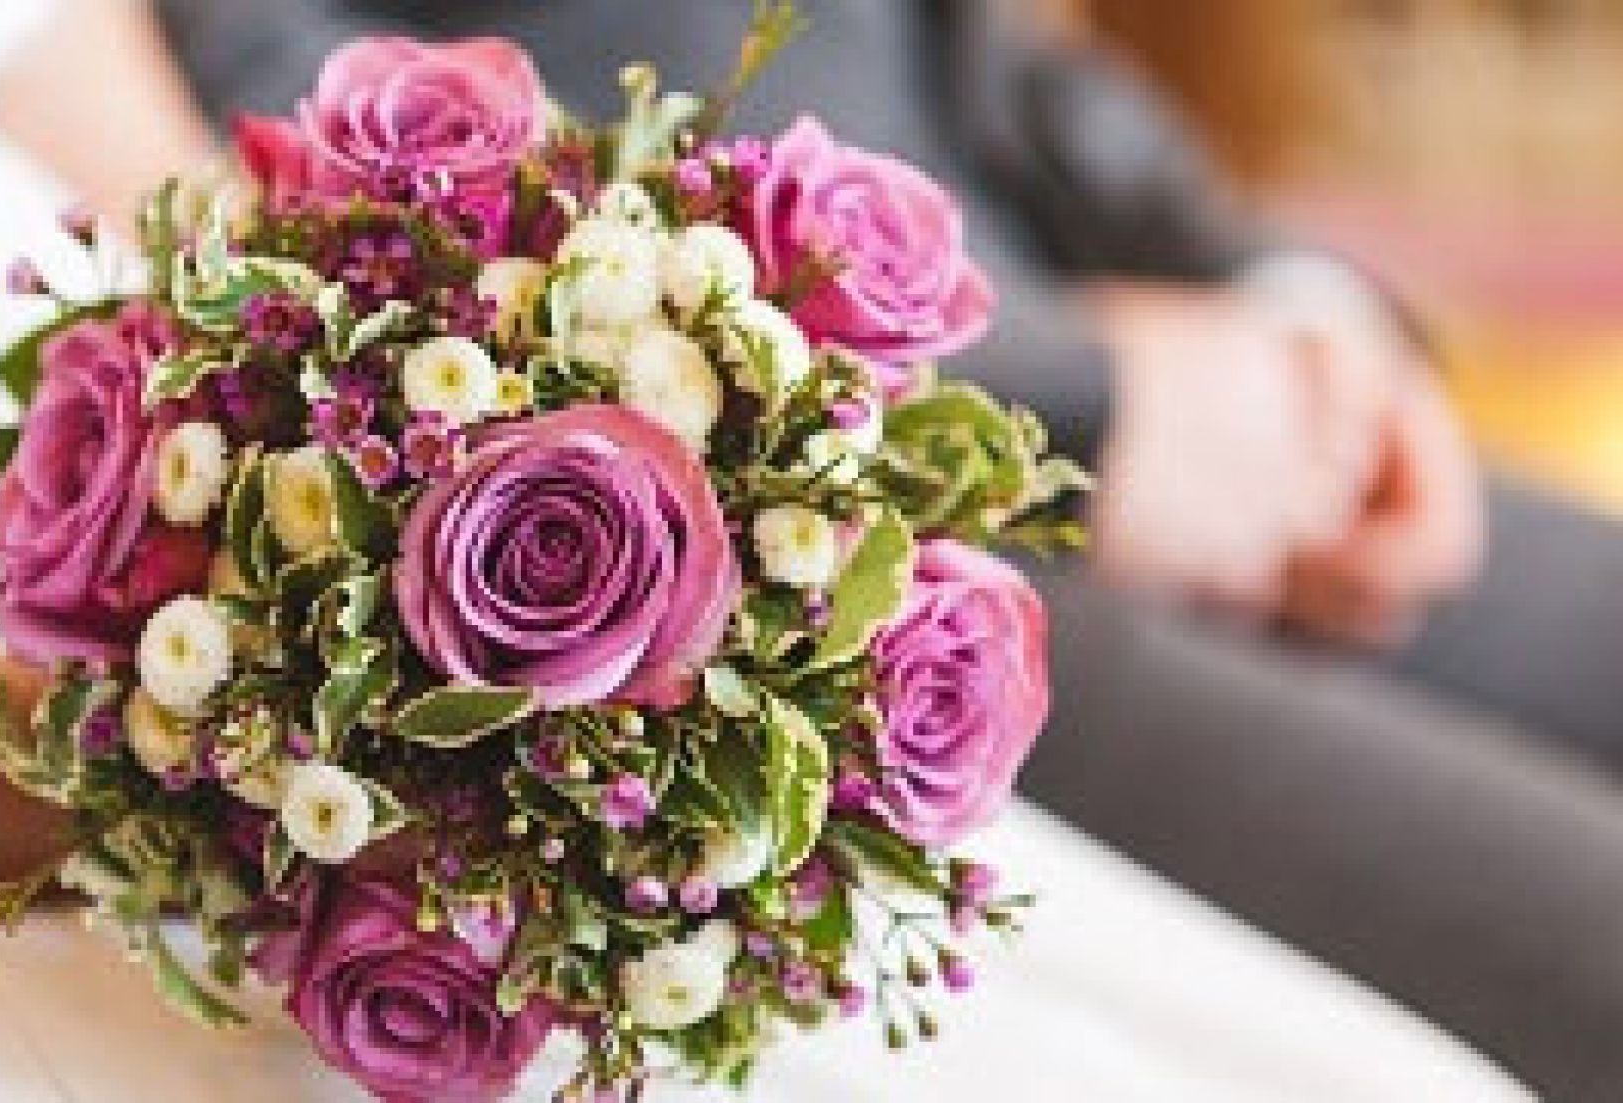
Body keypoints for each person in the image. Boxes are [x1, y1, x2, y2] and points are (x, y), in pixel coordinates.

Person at [122, 0, 1623, 1096]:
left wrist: (1301, 320)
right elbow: (333, 185)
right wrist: (1091, 390)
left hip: (1196, 397)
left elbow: (989, 67)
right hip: (833, 567)